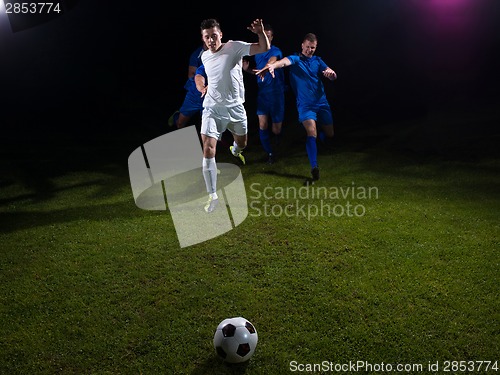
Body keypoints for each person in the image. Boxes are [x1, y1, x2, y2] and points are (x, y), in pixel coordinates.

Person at [195, 18, 270, 213]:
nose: (211, 40)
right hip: (213, 108)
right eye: (206, 37)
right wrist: (203, 86)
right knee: (208, 148)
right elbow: (203, 74)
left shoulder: (234, 47)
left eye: (213, 36)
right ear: (203, 39)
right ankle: (212, 195)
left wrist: (260, 32)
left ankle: (235, 151)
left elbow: (263, 48)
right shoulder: (204, 56)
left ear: (220, 35)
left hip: (236, 108)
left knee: (243, 143)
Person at [254, 33, 337, 181]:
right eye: (307, 47)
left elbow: (332, 73)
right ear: (302, 46)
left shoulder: (318, 61)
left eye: (313, 48)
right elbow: (284, 62)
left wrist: (331, 75)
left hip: (322, 103)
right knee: (312, 132)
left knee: (329, 134)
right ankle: (314, 167)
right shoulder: (296, 59)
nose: (310, 50)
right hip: (305, 106)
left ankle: (321, 141)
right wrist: (272, 65)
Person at [242, 24, 285, 164]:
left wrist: (268, 66)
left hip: (276, 94)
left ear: (271, 37)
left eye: (268, 35)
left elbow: (272, 60)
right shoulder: (257, 52)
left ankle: (278, 140)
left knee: (276, 129)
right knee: (263, 124)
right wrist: (247, 70)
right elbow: (258, 73)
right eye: (263, 35)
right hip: (263, 95)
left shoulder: (276, 50)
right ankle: (270, 153)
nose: (266, 38)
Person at [168, 44, 208, 129]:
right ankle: (176, 117)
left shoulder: (221, 54)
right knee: (180, 124)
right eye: (207, 37)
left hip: (211, 96)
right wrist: (201, 85)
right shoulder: (197, 55)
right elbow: (191, 75)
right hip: (195, 94)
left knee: (206, 126)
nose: (210, 40)